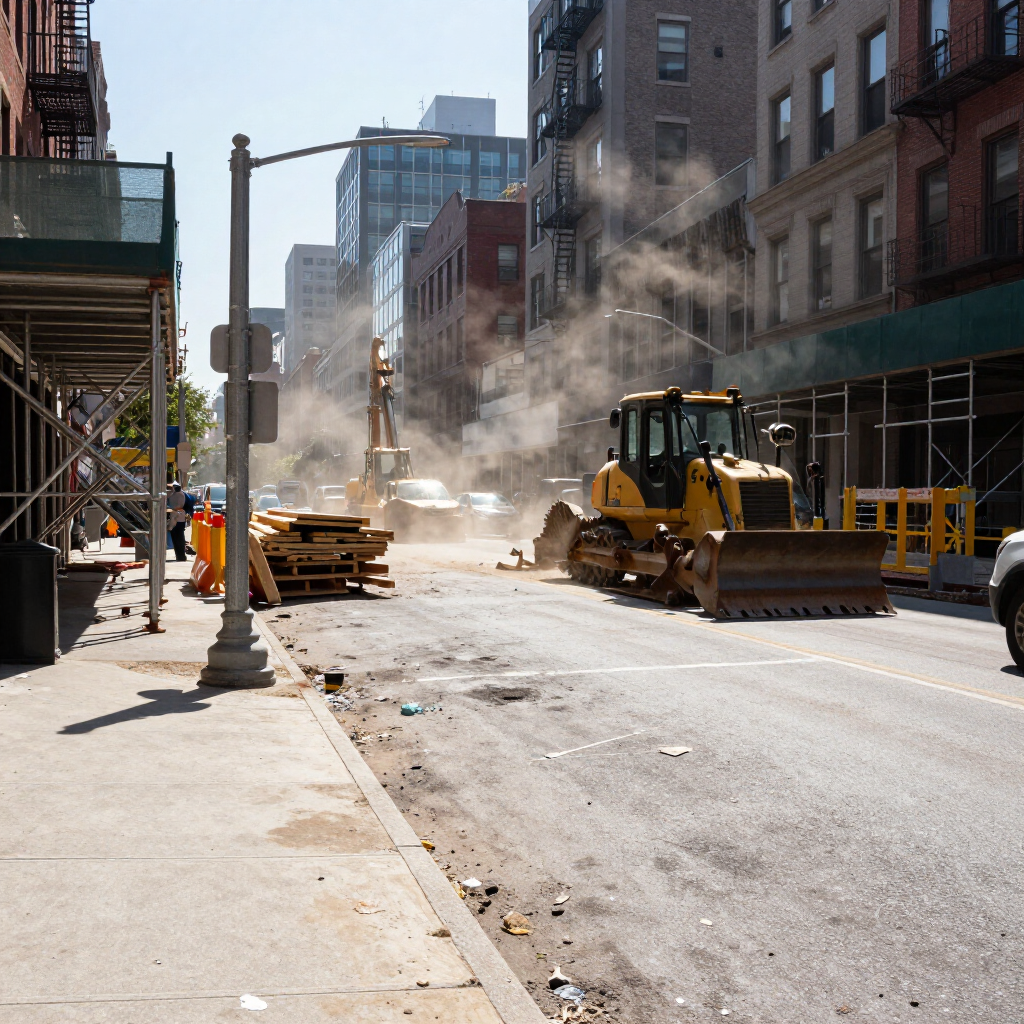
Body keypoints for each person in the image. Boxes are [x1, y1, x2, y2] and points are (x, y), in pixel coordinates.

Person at [168, 482, 188, 561]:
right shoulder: (180, 494)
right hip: (179, 518)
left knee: (177, 538)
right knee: (178, 538)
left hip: (177, 518)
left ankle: (180, 555)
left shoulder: (177, 495)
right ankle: (180, 555)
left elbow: (176, 505)